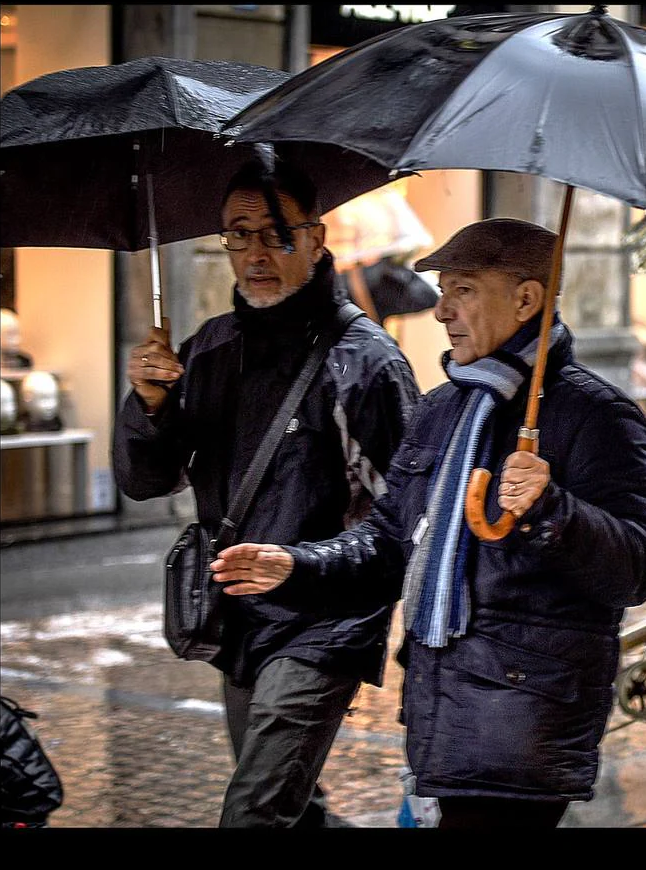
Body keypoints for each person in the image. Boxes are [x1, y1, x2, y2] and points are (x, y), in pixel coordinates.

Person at [210, 218, 646, 829]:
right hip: (441, 706)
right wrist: (296, 563)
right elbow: (388, 543)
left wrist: (553, 511)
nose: (440, 310)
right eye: (444, 290)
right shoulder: (440, 411)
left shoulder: (597, 416)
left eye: (464, 290)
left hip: (524, 717)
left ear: (527, 299)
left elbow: (640, 568)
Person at [112, 159, 421, 828]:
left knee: (254, 810)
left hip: (328, 621)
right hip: (240, 616)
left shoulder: (366, 363)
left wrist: (302, 565)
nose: (255, 252)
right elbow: (145, 480)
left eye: (275, 234)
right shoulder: (210, 349)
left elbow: (404, 523)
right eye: (238, 234)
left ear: (316, 237)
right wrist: (150, 405)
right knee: (293, 807)